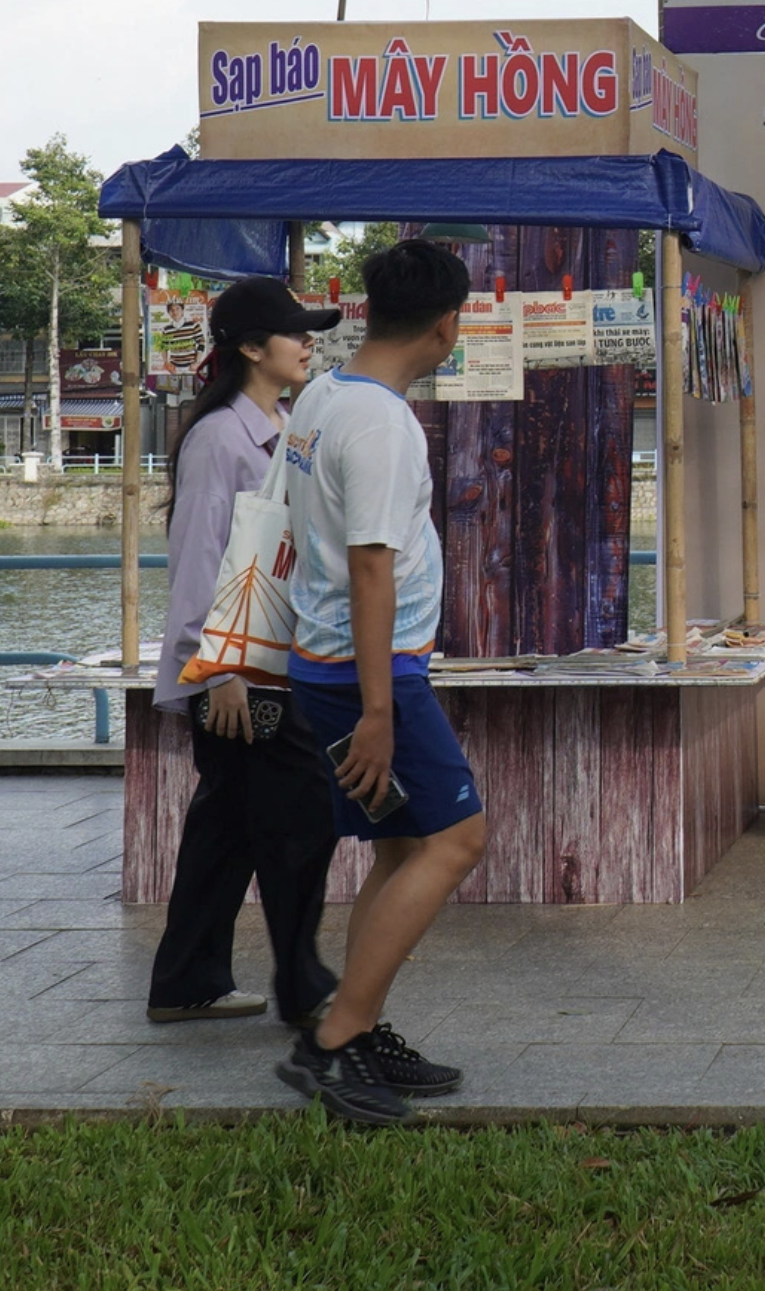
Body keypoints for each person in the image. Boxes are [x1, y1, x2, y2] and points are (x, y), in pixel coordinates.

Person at [276, 237, 487, 1125]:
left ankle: (349, 1025)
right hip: (370, 672)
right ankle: (335, 1042)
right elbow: (371, 565)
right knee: (459, 840)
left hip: (335, 661)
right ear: (446, 327)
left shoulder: (321, 394)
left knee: (404, 847)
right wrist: (377, 711)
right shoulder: (384, 423)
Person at [145, 276, 345, 1028]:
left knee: (226, 828)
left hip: (271, 658)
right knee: (299, 818)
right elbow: (197, 557)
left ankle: (187, 980)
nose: (308, 343)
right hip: (240, 668)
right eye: (294, 333)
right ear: (251, 348)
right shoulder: (219, 438)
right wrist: (217, 670)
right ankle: (302, 985)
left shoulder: (280, 425)